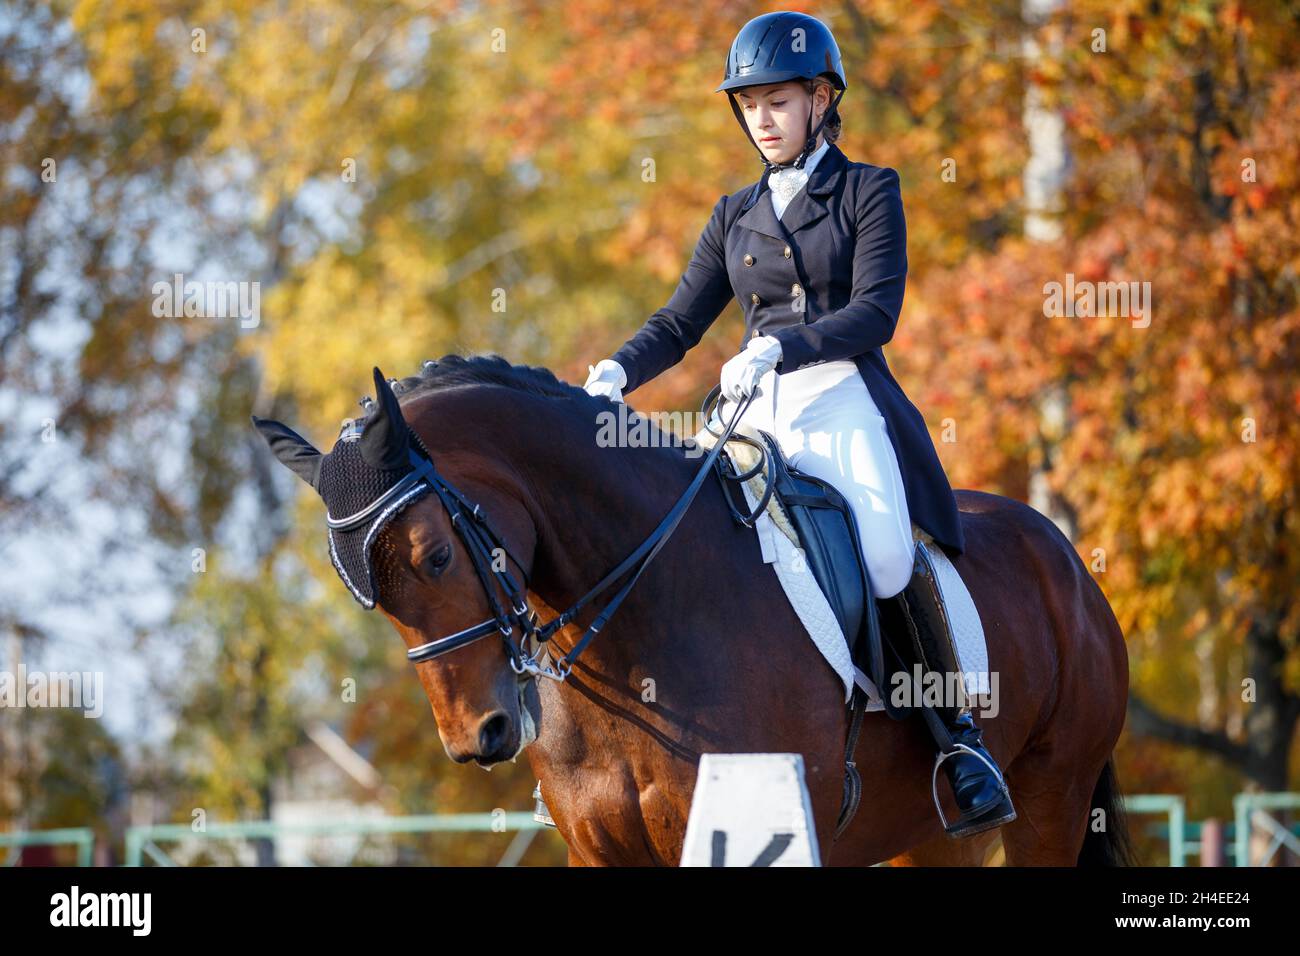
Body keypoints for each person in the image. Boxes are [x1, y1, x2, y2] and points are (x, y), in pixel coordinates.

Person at [581, 11, 1013, 839]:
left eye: (777, 102)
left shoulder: (867, 190)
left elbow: (876, 312)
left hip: (838, 396)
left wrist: (783, 347)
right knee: (682, 532)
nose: (762, 120)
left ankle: (958, 743)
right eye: (749, 107)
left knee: (886, 554)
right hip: (751, 411)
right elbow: (679, 322)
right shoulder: (733, 212)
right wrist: (617, 371)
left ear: (821, 98)